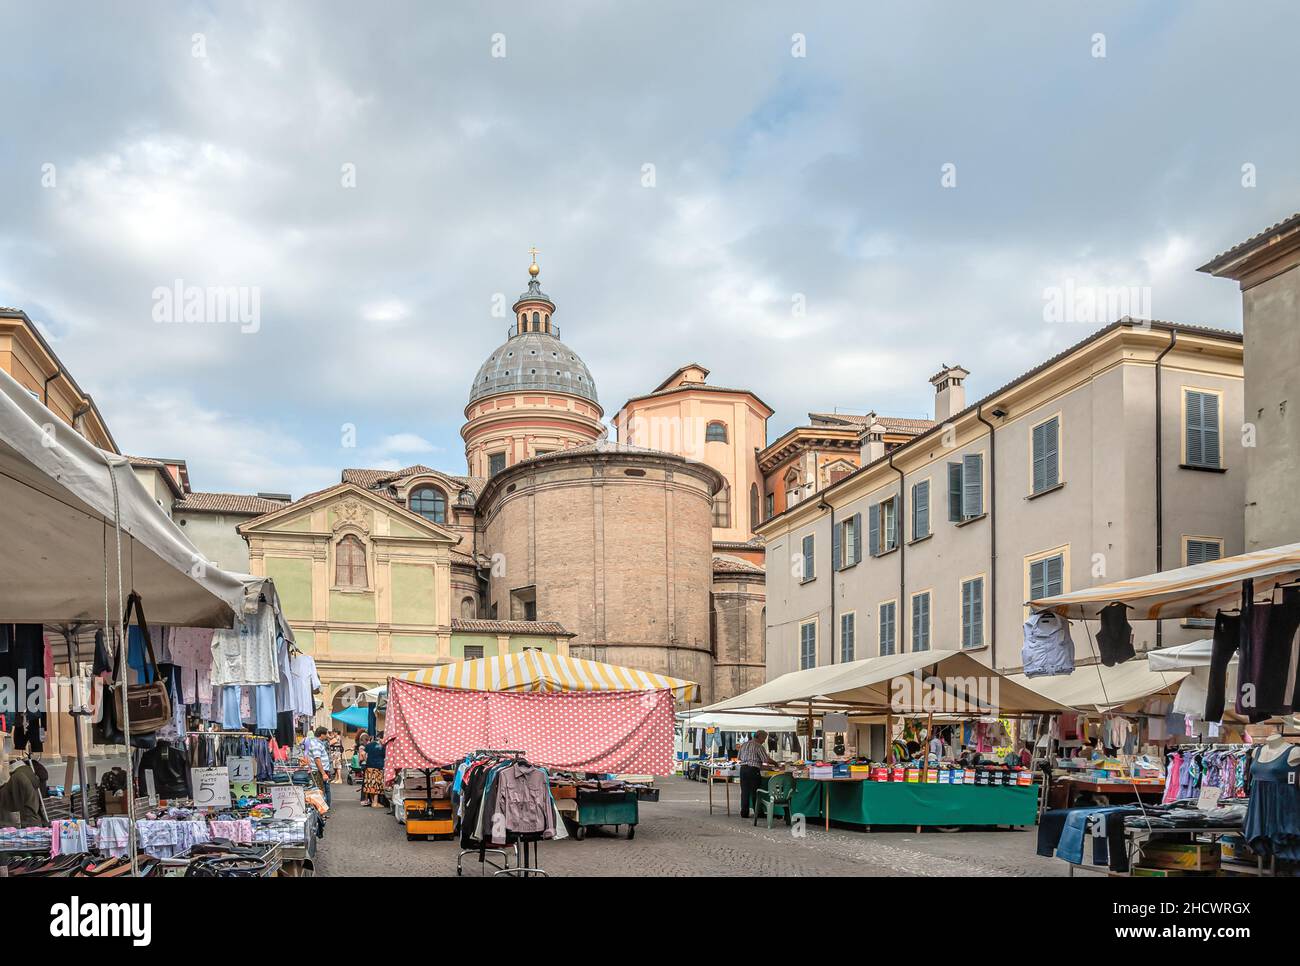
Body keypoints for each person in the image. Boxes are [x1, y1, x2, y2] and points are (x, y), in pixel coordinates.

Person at [737, 730, 776, 820]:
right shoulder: (759, 746)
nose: (764, 741)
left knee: (744, 791)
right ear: (760, 737)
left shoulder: (744, 744)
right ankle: (758, 812)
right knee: (756, 791)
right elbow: (765, 760)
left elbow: (739, 758)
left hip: (743, 769)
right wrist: (775, 763)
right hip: (753, 771)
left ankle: (744, 812)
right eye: (764, 739)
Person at [303, 727, 332, 805]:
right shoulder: (316, 744)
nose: (327, 736)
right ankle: (323, 809)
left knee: (324, 789)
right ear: (321, 735)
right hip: (319, 771)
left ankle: (325, 807)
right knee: (321, 790)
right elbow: (317, 759)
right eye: (326, 734)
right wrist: (323, 773)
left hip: (320, 770)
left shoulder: (317, 743)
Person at [360, 733, 386, 808]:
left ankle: (373, 802)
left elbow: (363, 753)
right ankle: (375, 802)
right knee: (377, 785)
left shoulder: (369, 745)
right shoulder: (382, 746)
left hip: (369, 766)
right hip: (378, 767)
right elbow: (385, 757)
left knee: (370, 784)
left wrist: (367, 760)